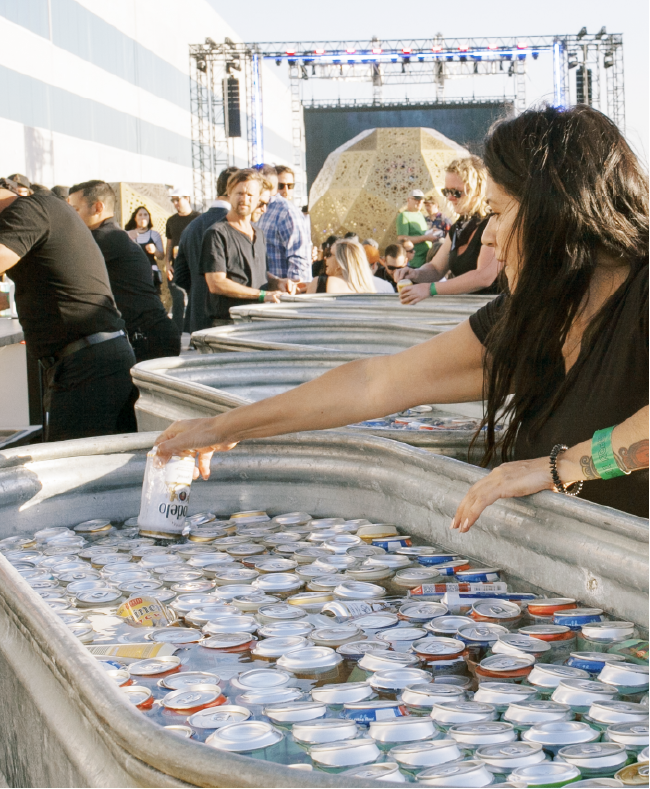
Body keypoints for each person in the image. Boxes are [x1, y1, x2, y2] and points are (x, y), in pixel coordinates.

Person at [153, 106, 648, 524]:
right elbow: (377, 382)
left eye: (497, 212)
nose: (490, 237)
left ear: (555, 209)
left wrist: (560, 467)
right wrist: (225, 427)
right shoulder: (535, 317)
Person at [0, 169, 137, 441]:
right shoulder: (41, 208)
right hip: (86, 362)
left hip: (88, 367)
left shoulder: (29, 210)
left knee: (79, 475)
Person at [68, 180, 180, 363]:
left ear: (97, 207)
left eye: (75, 210)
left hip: (149, 338)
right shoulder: (112, 236)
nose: (71, 217)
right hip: (150, 335)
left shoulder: (106, 238)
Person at [397, 157, 503, 304]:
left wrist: (430, 289)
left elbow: (483, 277)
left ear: (478, 191)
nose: (450, 198)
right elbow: (436, 268)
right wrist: (415, 273)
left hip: (496, 313)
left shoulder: (494, 222)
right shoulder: (460, 227)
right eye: (446, 191)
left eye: (457, 192)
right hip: (469, 312)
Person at [201, 168, 299, 326]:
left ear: (257, 199)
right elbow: (216, 283)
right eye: (239, 193)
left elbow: (254, 274)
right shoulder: (216, 233)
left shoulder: (258, 234)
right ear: (230, 194)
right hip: (228, 324)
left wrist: (277, 283)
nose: (244, 199)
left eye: (250, 195)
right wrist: (262, 295)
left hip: (256, 320)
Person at [174, 166, 238, 334]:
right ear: (232, 190)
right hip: (230, 318)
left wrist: (199, 289)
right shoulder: (235, 226)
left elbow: (180, 275)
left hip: (198, 319)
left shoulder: (191, 227)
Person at [256, 164, 311, 283]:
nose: (286, 190)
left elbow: (299, 259)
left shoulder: (287, 212)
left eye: (290, 186)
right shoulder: (257, 210)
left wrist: (291, 294)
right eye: (281, 186)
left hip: (282, 296)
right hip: (266, 293)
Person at [165, 187, 200, 336]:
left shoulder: (198, 218)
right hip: (176, 266)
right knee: (178, 300)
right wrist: (167, 264)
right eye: (173, 200)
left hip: (193, 265)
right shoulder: (171, 220)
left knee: (194, 300)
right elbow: (169, 243)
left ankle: (194, 334)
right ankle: (176, 335)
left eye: (178, 199)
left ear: (188, 199)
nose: (176, 203)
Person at [306, 238, 377, 295]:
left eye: (329, 254)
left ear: (340, 262)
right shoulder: (368, 290)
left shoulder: (319, 283)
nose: (325, 258)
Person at [396, 189, 441, 269]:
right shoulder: (403, 216)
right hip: (415, 261)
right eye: (416, 199)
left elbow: (421, 233)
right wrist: (425, 238)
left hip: (426, 258)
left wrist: (431, 232)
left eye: (421, 200)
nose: (419, 202)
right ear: (408, 199)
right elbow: (402, 239)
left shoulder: (420, 215)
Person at [125, 206, 164, 293]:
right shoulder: (128, 234)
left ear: (149, 218)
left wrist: (155, 251)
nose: (143, 217)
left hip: (151, 273)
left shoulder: (154, 235)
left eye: (145, 215)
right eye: (140, 215)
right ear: (135, 218)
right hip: (134, 273)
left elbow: (161, 256)